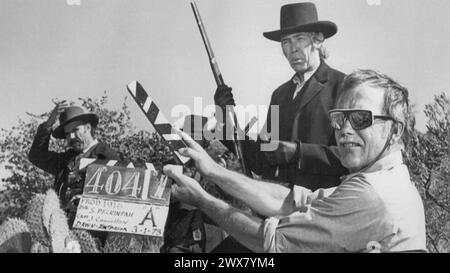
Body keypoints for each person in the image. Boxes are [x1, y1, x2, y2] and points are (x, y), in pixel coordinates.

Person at [165, 69, 426, 252]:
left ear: (395, 130)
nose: (345, 130)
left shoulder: (372, 193)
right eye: (339, 118)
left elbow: (273, 242)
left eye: (360, 119)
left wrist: (202, 198)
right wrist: (214, 165)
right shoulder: (280, 95)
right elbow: (286, 195)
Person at [214, 2, 348, 190]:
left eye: (300, 38)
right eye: (286, 41)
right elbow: (261, 161)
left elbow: (353, 155)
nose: (293, 49)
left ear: (318, 40)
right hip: (278, 208)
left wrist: (298, 152)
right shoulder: (280, 95)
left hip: (321, 209)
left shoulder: (344, 86)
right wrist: (223, 118)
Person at [28, 102, 119, 231]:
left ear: (88, 127)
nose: (71, 137)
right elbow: (36, 156)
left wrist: (88, 203)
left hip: (94, 233)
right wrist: (48, 124)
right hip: (62, 231)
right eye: (67, 134)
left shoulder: (107, 156)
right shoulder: (65, 159)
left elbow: (118, 197)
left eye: (75, 130)